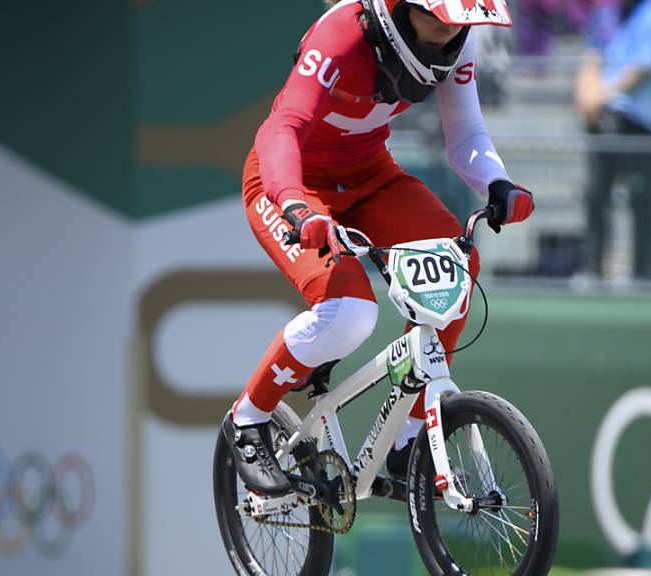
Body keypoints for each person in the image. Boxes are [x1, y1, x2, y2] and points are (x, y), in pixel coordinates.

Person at [225, 0, 535, 495]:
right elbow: (279, 129)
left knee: (455, 262)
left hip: (368, 176)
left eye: (458, 23)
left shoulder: (459, 42)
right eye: (435, 19)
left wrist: (498, 183)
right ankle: (249, 418)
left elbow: (467, 135)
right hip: (290, 184)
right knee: (349, 313)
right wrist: (295, 207)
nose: (446, 33)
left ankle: (409, 435)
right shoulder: (341, 36)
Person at [575, 0, 651, 285]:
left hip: (640, 124)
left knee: (641, 200)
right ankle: (593, 271)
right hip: (604, 120)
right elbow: (591, 56)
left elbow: (643, 66)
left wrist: (602, 93)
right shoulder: (605, 14)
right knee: (595, 196)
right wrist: (586, 94)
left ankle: (642, 274)